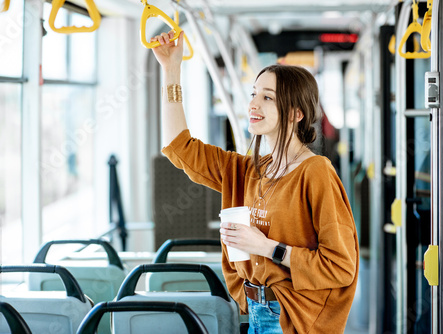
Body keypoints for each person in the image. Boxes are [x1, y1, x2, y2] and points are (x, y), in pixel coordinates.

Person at [151, 30, 359, 334]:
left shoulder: (316, 173)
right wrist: (171, 69)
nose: (253, 104)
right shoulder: (244, 170)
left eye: (267, 98)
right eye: (253, 94)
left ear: (297, 113)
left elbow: (340, 267)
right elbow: (178, 146)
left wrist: (267, 247)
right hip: (253, 312)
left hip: (293, 320)